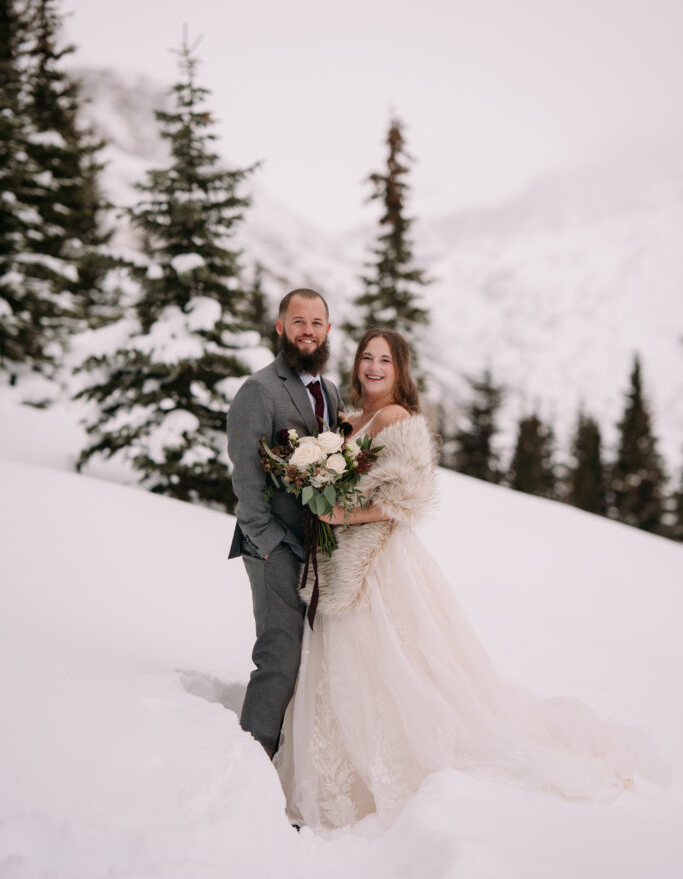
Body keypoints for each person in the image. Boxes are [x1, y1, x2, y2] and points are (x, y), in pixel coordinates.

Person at [275, 328, 664, 829]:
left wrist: (336, 517)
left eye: (385, 361)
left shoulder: (395, 419)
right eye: (367, 358)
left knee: (390, 663)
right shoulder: (349, 419)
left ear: (400, 370)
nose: (373, 367)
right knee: (349, 666)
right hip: (343, 563)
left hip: (379, 564)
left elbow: (406, 500)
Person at [226, 288, 344, 759]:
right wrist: (271, 542)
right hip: (271, 546)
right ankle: (250, 766)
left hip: (313, 546)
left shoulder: (329, 392)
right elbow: (246, 478)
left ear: (328, 330)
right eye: (298, 322)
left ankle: (288, 766)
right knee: (278, 657)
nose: (308, 331)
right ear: (280, 327)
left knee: (307, 661)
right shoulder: (259, 390)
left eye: (316, 322)